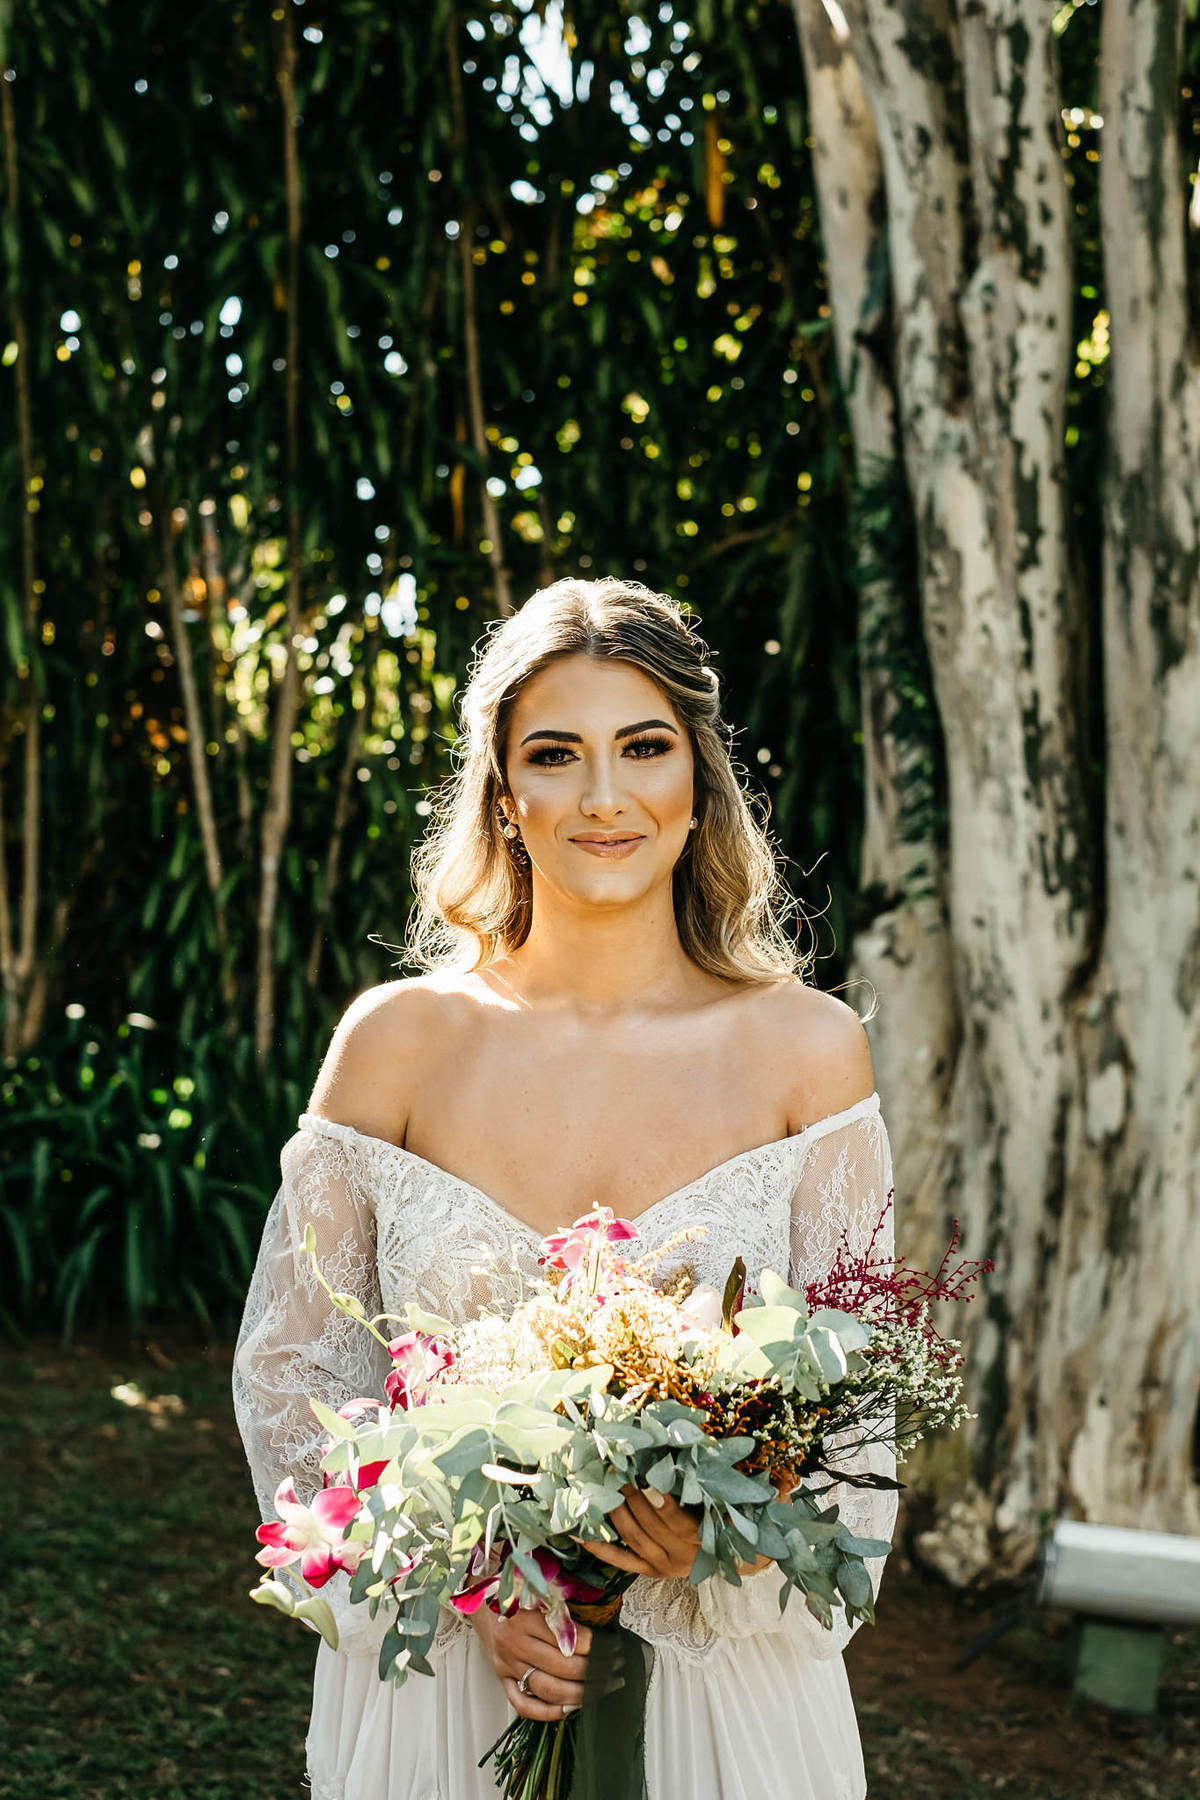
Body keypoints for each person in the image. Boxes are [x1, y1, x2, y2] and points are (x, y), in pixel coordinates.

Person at [233, 577, 898, 1800]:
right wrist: (465, 1583)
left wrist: (727, 1539)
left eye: (643, 747)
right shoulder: (396, 1043)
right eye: (556, 755)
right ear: (504, 792)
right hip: (447, 1695)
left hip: (723, 1701)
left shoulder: (808, 1051)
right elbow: (293, 1380)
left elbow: (858, 1424)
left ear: (698, 777)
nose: (603, 796)